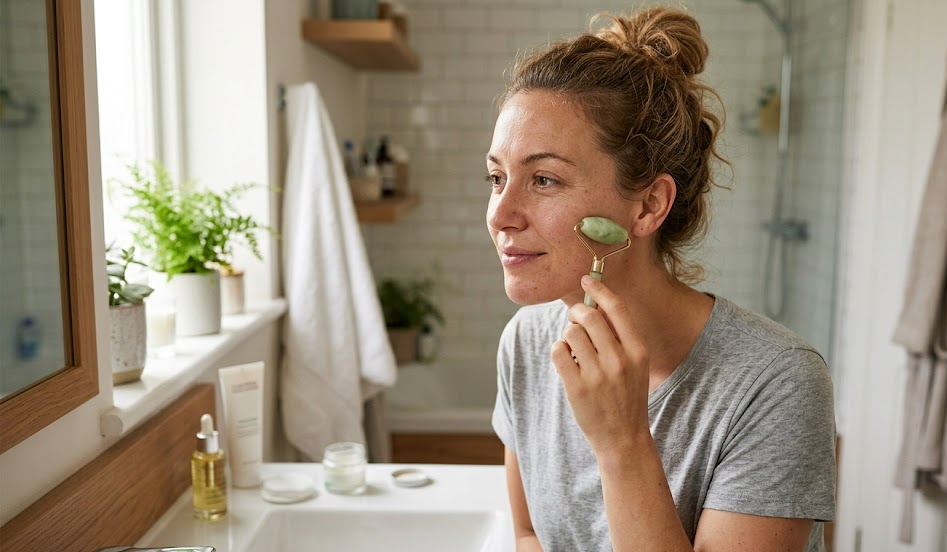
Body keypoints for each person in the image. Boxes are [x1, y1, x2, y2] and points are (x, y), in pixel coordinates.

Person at [486, 6, 836, 552]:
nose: (500, 213)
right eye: (497, 177)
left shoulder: (776, 384)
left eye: (545, 179)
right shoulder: (527, 343)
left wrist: (622, 441)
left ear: (649, 205)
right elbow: (529, 534)